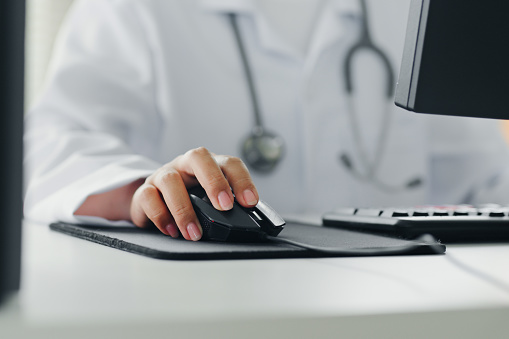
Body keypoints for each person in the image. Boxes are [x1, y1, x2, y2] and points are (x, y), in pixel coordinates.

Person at [24, 0, 509, 241]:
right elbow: (47, 147)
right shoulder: (135, 10)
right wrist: (140, 191)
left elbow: (485, 185)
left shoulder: (413, 12)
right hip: (218, 319)